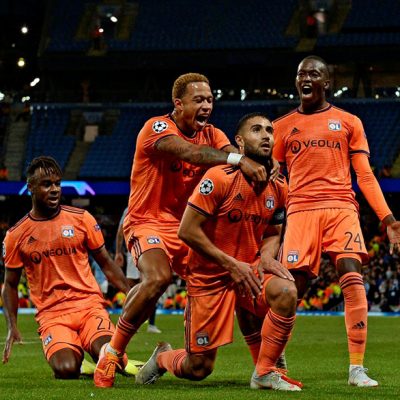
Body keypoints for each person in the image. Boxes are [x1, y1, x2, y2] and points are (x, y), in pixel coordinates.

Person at [94, 73, 276, 388]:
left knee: (203, 360)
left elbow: (235, 158)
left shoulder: (213, 134)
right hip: (147, 220)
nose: (207, 105)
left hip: (188, 228)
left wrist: (265, 162)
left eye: (210, 100)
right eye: (198, 100)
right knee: (158, 277)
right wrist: (239, 159)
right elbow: (192, 153)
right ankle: (112, 353)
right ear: (178, 104)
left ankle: (262, 364)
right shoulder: (156, 128)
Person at [135, 112, 301, 391]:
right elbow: (187, 231)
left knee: (286, 291)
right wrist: (232, 264)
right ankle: (163, 357)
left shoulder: (279, 186)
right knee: (198, 368)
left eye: (269, 130)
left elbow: (273, 232)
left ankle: (265, 372)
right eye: (256, 130)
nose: (265, 135)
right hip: (210, 277)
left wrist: (267, 257)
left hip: (248, 270)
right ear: (239, 142)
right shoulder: (218, 177)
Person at [273, 55, 400, 387]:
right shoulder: (281, 127)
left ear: (326, 82)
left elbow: (365, 176)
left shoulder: (348, 122)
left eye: (313, 74)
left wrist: (388, 219)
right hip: (300, 210)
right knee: (292, 289)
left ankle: (356, 368)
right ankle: (275, 356)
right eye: (301, 73)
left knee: (352, 275)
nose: (306, 78)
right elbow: (273, 179)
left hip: (341, 206)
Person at [2, 156, 132, 379]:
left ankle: (101, 352)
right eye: (46, 184)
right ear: (30, 187)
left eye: (57, 183)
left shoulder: (82, 219)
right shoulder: (16, 235)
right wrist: (12, 326)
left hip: (89, 306)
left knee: (112, 358)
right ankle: (77, 357)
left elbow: (106, 263)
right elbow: (10, 285)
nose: (54, 189)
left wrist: (131, 293)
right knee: (66, 369)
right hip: (52, 315)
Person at [115, 207, 161, 333]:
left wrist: (118, 252)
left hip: (143, 249)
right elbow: (120, 231)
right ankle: (139, 324)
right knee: (140, 287)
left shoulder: (134, 207)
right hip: (140, 249)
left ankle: (142, 324)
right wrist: (118, 252)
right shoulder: (131, 208)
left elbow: (120, 232)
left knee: (142, 286)